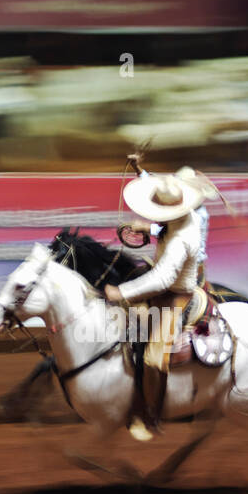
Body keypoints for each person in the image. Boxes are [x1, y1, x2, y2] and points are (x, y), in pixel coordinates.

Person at [104, 165, 218, 441]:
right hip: (165, 283)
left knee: (154, 358)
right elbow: (162, 218)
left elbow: (162, 279)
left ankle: (152, 416)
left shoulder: (183, 238)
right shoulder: (181, 215)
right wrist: (148, 225)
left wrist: (122, 292)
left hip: (175, 294)